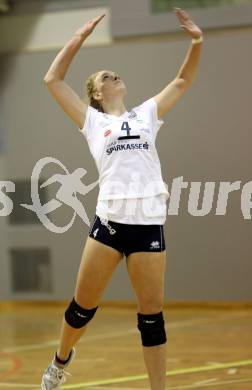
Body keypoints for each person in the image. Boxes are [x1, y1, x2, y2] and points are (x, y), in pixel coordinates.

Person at [41, 7, 203, 390]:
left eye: (114, 72)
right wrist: (78, 35)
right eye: (105, 76)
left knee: (152, 318)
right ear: (98, 93)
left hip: (147, 221)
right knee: (82, 310)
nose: (115, 74)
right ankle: (60, 361)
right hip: (110, 222)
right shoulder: (92, 121)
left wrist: (197, 41)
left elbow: (182, 80)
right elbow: (52, 78)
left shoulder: (146, 114)